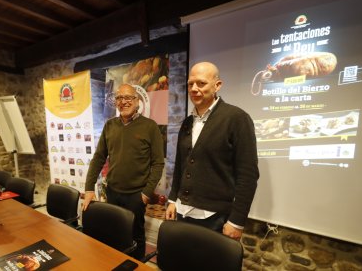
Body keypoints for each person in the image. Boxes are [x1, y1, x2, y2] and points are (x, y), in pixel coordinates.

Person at [165, 62, 259, 240]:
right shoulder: (187, 122)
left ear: (217, 85)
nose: (194, 88)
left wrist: (236, 221)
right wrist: (172, 200)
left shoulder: (237, 119)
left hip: (214, 218)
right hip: (182, 213)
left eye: (201, 83)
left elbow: (248, 175)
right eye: (190, 83)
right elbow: (180, 166)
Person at [82, 83, 165, 260]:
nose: (123, 102)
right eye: (119, 98)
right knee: (115, 232)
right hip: (112, 192)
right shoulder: (109, 126)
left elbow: (158, 163)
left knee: (136, 235)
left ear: (137, 101)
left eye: (128, 97)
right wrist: (89, 188)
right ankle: (117, 262)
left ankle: (137, 265)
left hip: (136, 195)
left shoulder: (150, 126)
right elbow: (98, 158)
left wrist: (146, 193)